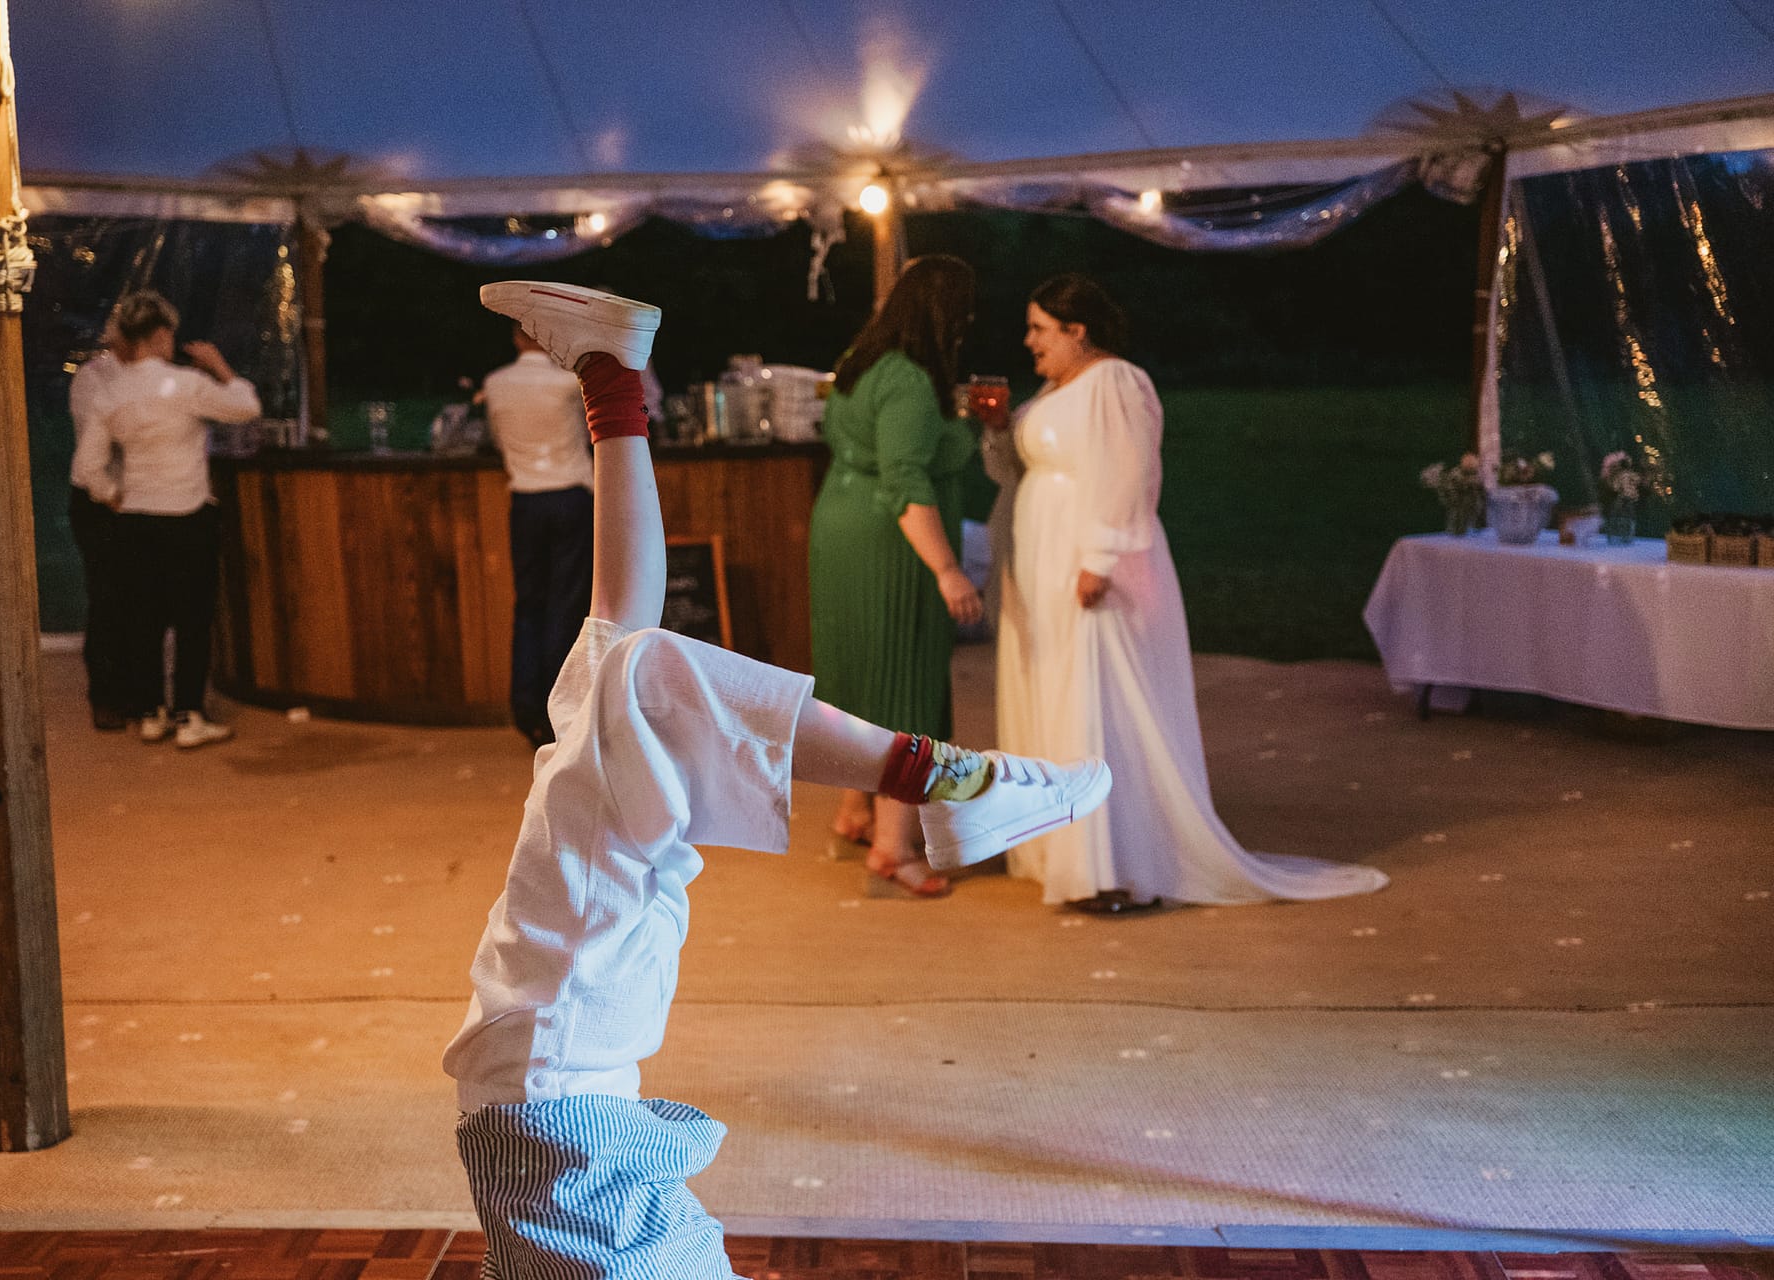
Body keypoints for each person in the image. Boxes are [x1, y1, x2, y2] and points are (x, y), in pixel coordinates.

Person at [446, 279, 1112, 1280]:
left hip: (554, 1080)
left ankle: (613, 382)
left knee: (630, 666)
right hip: (555, 1084)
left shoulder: (596, 836)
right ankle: (948, 779)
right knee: (634, 668)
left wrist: (612, 394)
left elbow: (622, 620)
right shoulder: (600, 847)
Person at [987, 274, 1388, 912]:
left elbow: (1129, 472)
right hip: (1039, 556)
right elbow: (1015, 470)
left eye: (1038, 328)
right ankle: (1062, 850)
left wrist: (1100, 558)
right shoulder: (1055, 388)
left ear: (1076, 330)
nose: (1028, 340)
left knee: (1098, 700)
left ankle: (1111, 865)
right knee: (1056, 692)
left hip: (1089, 563)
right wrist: (997, 428)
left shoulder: (1116, 382)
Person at [807, 255, 984, 898]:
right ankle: (892, 848)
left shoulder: (861, 359)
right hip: (888, 544)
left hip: (840, 525)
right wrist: (948, 571)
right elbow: (906, 481)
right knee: (903, 685)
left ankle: (854, 810)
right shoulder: (909, 380)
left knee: (858, 676)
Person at [75, 291, 261, 750]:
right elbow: (245, 407)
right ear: (161, 335)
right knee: (193, 620)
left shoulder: (110, 393)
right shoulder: (186, 385)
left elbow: (86, 469)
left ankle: (151, 712)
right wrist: (220, 366)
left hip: (135, 518)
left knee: (144, 620)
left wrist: (113, 496)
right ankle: (189, 715)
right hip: (187, 514)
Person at [481, 320, 596, 747]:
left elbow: (496, 441)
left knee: (529, 602)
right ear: (547, 338)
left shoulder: (495, 384)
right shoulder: (569, 384)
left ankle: (525, 705)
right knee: (566, 603)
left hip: (525, 501)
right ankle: (555, 712)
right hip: (569, 497)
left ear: (514, 337)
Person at [66, 319, 131, 731]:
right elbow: (97, 453)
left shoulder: (155, 377)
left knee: (139, 600)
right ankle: (104, 697)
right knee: (108, 599)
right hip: (100, 500)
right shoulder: (94, 379)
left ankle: (138, 694)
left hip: (135, 501)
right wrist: (113, 495)